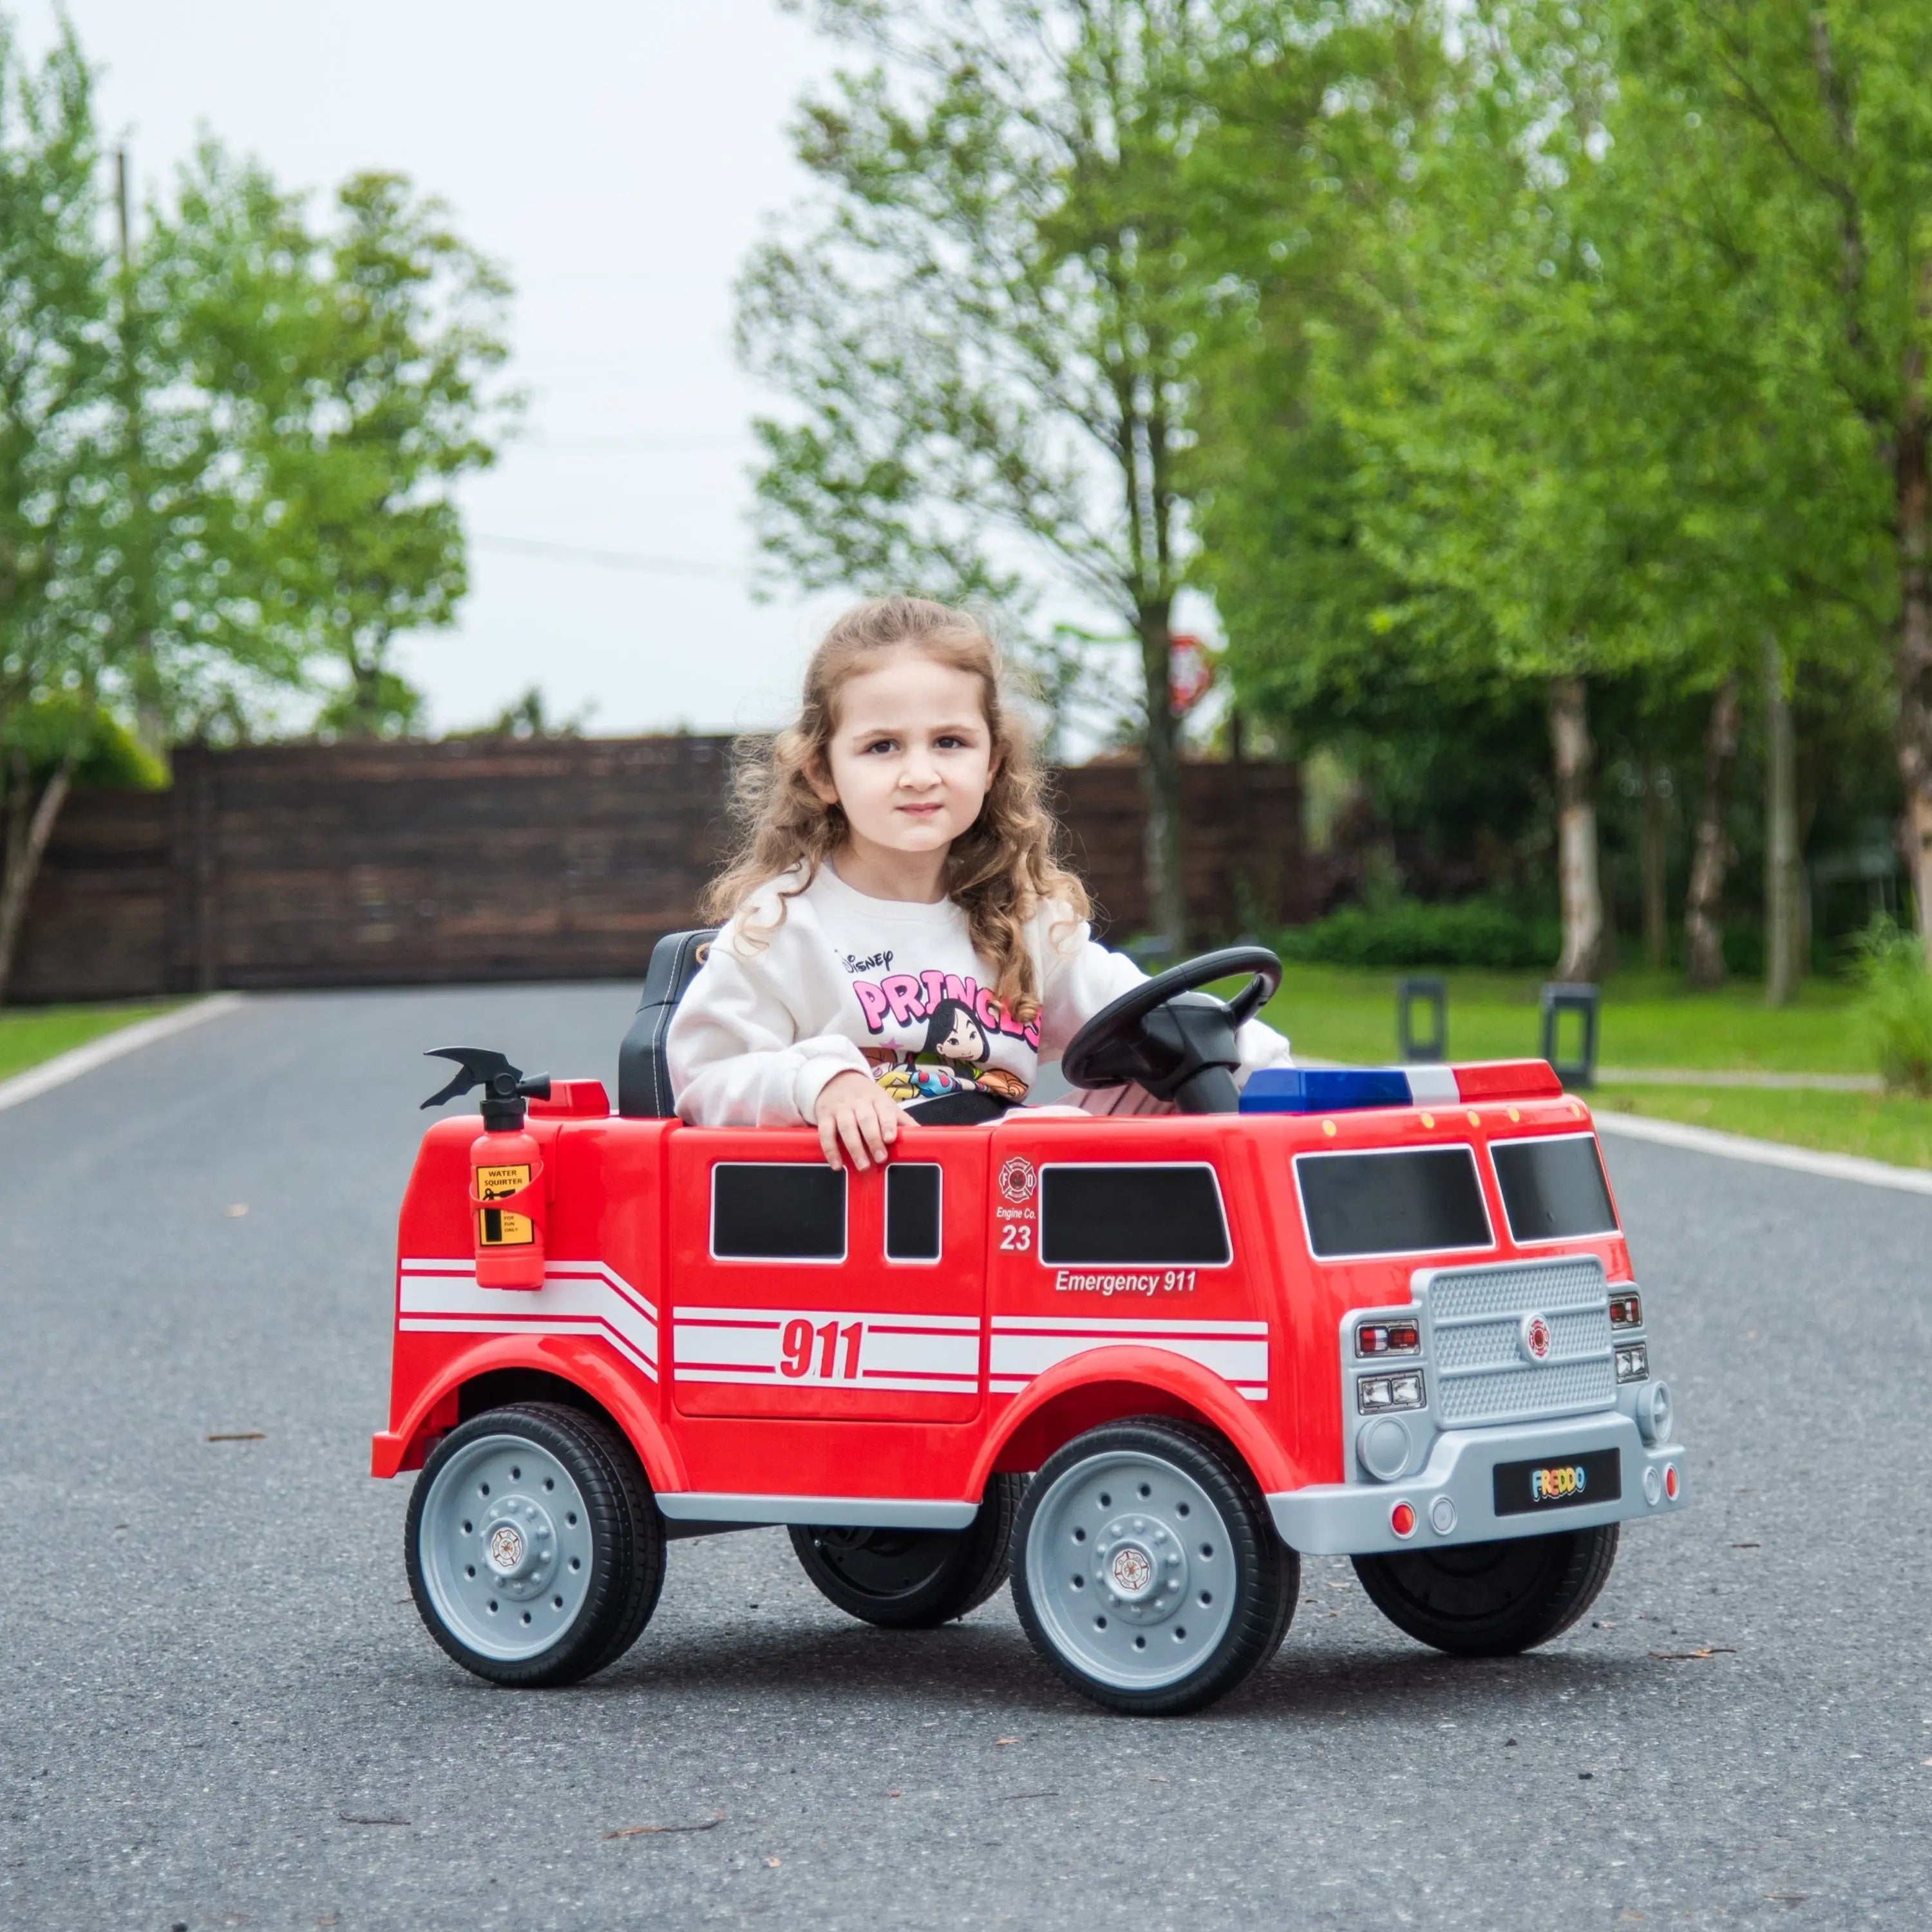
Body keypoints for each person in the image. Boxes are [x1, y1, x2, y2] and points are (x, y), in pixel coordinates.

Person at [667, 596, 1292, 1168]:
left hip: (1003, 1196)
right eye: (882, 747)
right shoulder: (782, 926)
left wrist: (1270, 1073)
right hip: (864, 1202)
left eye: (949, 742)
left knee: (1174, 1073)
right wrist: (820, 1083)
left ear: (991, 763)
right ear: (823, 773)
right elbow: (703, 1076)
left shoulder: (1021, 916)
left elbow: (1151, 1011)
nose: (919, 774)